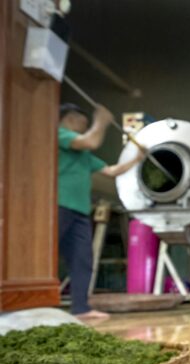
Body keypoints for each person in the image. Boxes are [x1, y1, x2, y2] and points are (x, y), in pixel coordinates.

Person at [58, 103, 144, 320]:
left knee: (82, 258)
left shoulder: (84, 155)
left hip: (79, 211)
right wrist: (101, 121)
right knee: (43, 255)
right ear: (69, 118)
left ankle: (81, 308)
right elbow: (91, 140)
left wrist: (137, 158)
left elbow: (113, 171)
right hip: (57, 206)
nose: (86, 125)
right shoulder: (59, 135)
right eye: (83, 121)